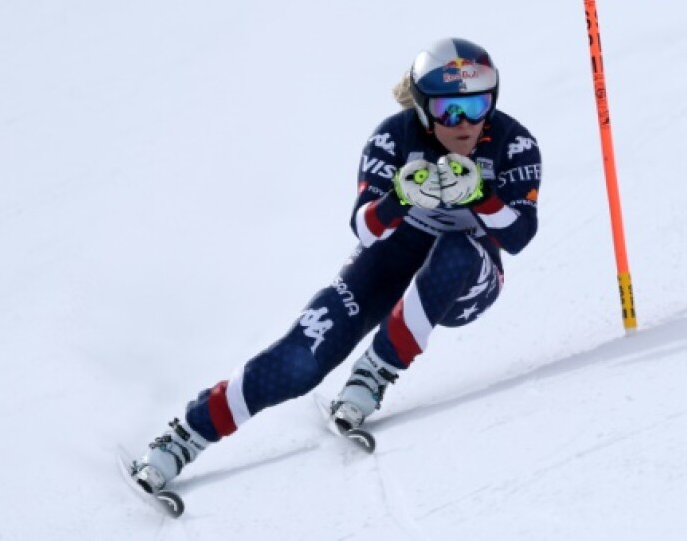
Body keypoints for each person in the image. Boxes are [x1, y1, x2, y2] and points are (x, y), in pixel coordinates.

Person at [128, 37, 542, 493]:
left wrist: (481, 195)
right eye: (449, 111)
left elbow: (519, 236)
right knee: (301, 360)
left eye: (478, 105)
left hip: (469, 277)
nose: (465, 125)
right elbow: (365, 230)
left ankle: (374, 373)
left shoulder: (512, 141)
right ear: (424, 109)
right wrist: (400, 198)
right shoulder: (395, 135)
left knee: (457, 250)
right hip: (392, 255)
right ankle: (182, 438)